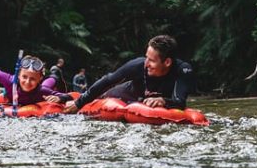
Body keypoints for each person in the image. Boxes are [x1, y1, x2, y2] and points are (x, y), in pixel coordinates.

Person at [63, 35, 195, 113]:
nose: (146, 63)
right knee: (103, 95)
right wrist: (79, 103)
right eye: (146, 58)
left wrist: (162, 101)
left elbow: (180, 102)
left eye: (152, 60)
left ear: (167, 62)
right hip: (125, 93)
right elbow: (107, 81)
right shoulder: (137, 65)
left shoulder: (182, 70)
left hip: (146, 101)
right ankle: (65, 97)